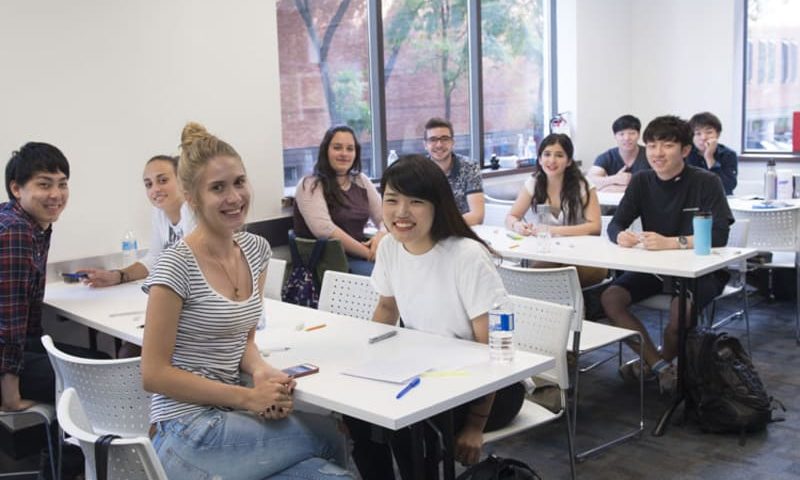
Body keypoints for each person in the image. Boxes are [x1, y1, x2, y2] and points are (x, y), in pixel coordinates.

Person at [141, 122, 351, 479]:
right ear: (192, 197)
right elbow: (154, 374)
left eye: (239, 182)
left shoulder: (256, 250)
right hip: (184, 429)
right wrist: (249, 398)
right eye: (218, 188)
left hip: (228, 414)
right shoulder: (175, 265)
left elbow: (244, 341)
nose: (234, 197)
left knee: (334, 469)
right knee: (330, 436)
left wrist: (261, 372)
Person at [344, 155, 523, 480]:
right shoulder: (390, 248)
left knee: (408, 424)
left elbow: (495, 348)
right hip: (424, 375)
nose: (401, 212)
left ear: (438, 205)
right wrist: (365, 366)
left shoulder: (466, 256)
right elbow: (386, 309)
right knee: (358, 413)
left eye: (415, 202)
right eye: (392, 200)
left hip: (488, 389)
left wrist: (474, 425)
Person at [601, 115, 733, 394]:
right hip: (657, 266)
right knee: (611, 298)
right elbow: (615, 224)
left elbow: (719, 235)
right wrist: (620, 235)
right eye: (651, 146)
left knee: (680, 313)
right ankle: (661, 367)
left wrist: (672, 242)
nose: (657, 153)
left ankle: (655, 364)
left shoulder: (706, 181)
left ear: (685, 150)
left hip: (702, 267)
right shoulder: (642, 181)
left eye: (667, 146)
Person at [505, 133, 606, 287]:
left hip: (583, 255)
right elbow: (512, 216)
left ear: (569, 161)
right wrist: (517, 225)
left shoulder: (583, 185)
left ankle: (575, 309)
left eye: (559, 155)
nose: (551, 160)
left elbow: (595, 227)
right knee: (540, 277)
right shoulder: (534, 182)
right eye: (547, 154)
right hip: (548, 253)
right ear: (539, 159)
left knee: (553, 278)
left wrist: (551, 230)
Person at [81, 155, 196, 287]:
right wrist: (117, 276)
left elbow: (191, 264)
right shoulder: (159, 213)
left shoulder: (192, 210)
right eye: (149, 184)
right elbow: (154, 258)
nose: (155, 189)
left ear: (182, 181)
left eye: (163, 180)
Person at [294, 125, 384, 276]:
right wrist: (369, 254)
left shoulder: (361, 180)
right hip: (328, 263)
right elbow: (325, 230)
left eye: (350, 149)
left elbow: (384, 217)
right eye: (337, 147)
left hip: (359, 256)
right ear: (325, 151)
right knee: (384, 278)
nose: (344, 154)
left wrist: (381, 235)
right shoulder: (310, 184)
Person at [423, 117, 485, 226]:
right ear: (425, 145)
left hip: (461, 231)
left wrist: (441, 227)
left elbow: (477, 215)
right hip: (427, 234)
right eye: (433, 139)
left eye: (444, 139)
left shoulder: (469, 167)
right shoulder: (418, 170)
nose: (439, 145)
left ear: (452, 142)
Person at [587, 114, 650, 192]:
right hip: (614, 203)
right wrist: (615, 179)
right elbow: (589, 182)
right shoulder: (607, 156)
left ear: (639, 135)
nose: (627, 138)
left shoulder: (650, 154)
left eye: (632, 133)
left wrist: (615, 188)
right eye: (621, 134)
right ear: (615, 136)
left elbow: (659, 183)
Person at [685, 111, 738, 195]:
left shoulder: (728, 154)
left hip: (720, 201)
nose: (703, 138)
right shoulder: (685, 153)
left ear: (718, 134)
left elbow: (728, 186)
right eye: (698, 133)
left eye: (709, 132)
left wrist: (709, 157)